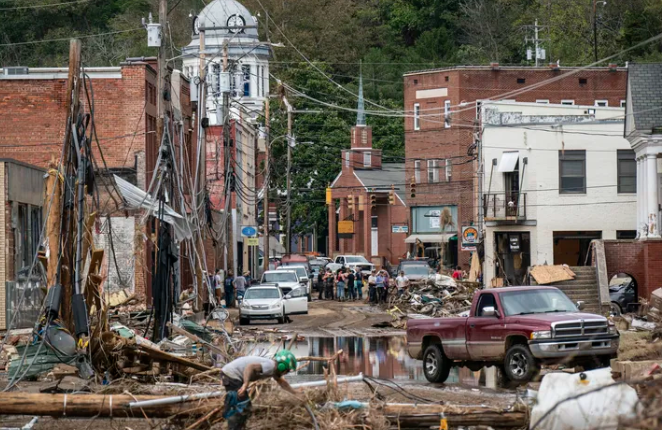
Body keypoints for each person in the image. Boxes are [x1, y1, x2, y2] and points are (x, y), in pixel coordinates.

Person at [221, 351, 300, 430]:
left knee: (243, 406)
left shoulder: (273, 369)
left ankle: (237, 425)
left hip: (231, 375)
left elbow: (283, 383)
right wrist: (245, 384)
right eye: (287, 370)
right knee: (242, 406)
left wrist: (296, 393)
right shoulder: (271, 366)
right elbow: (250, 367)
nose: (286, 373)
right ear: (282, 366)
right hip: (232, 375)